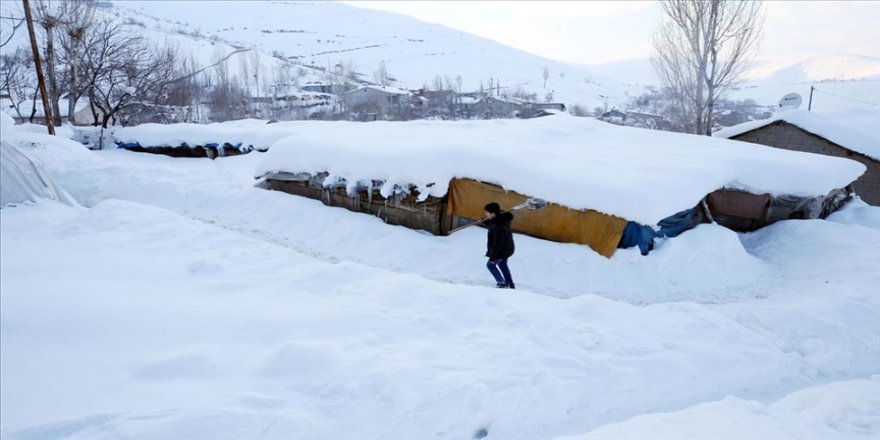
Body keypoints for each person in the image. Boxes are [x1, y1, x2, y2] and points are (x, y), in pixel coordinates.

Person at [483, 202, 515, 289]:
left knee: (490, 265)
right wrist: (486, 221)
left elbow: (498, 243)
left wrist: (493, 256)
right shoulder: (500, 219)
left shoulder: (498, 226)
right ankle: (509, 283)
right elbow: (493, 223)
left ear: (493, 213)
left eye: (487, 212)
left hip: (502, 250)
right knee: (502, 264)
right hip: (507, 248)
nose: (486, 214)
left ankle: (502, 283)